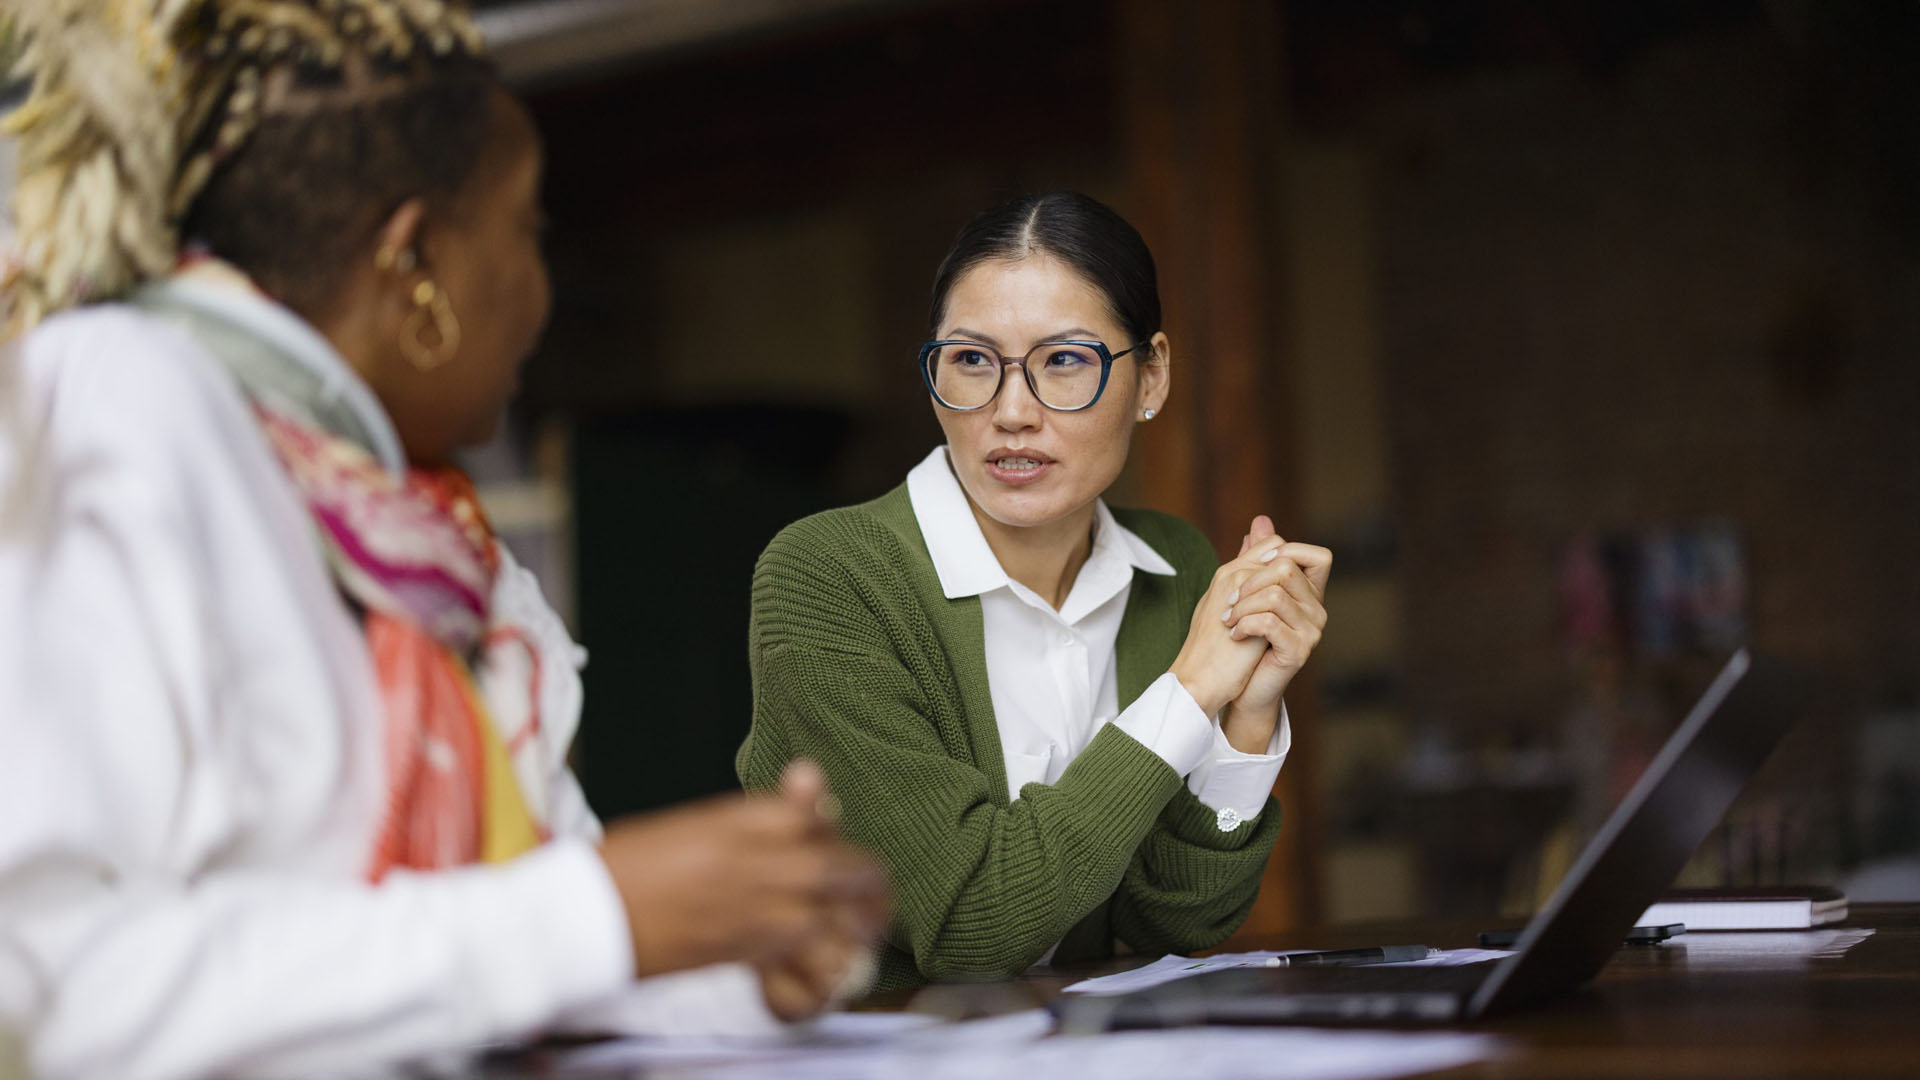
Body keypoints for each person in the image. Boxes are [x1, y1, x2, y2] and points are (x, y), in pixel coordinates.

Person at [0, 3, 886, 1077]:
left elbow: (506, 961)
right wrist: (597, 913)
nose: (541, 293)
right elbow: (50, 1000)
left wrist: (738, 947)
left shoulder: (434, 558)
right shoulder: (118, 397)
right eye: (527, 230)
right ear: (414, 257)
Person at [738, 191, 1332, 988]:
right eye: (973, 360)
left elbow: (1177, 921)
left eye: (1064, 360)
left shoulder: (1178, 570)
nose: (1012, 412)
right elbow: (969, 924)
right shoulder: (829, 575)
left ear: (1151, 376)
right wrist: (1190, 692)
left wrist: (1246, 721)